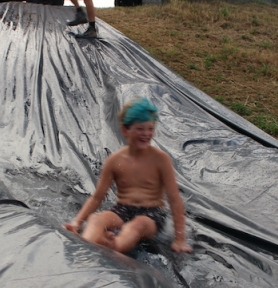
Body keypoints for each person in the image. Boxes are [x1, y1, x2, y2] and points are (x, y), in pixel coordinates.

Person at [64, 98, 193, 254]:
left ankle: (114, 245)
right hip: (123, 209)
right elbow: (97, 197)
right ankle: (88, 245)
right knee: (95, 219)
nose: (146, 134)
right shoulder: (115, 160)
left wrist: (180, 239)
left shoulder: (160, 159)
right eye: (140, 129)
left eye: (150, 129)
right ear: (125, 130)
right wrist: (77, 222)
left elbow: (174, 198)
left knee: (137, 225)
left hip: (152, 213)